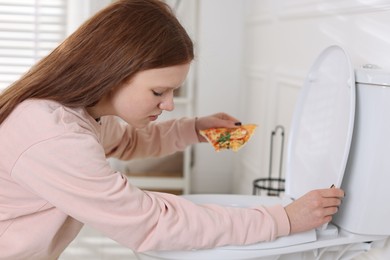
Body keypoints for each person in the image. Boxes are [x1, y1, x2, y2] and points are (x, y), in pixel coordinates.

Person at [0, 0, 344, 259]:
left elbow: (130, 142)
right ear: (112, 73)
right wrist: (280, 220)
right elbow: (151, 223)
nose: (168, 104)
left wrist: (195, 129)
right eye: (158, 91)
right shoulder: (52, 136)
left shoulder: (80, 114)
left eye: (173, 92)